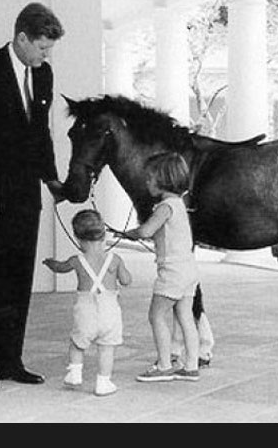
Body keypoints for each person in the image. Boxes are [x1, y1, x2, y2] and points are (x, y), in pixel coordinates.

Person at [0, 2, 66, 392]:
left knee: (19, 276)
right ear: (22, 38)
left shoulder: (44, 75)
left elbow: (41, 133)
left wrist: (52, 180)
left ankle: (11, 360)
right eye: (42, 47)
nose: (46, 55)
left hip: (25, 195)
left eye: (49, 49)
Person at [120, 152, 201, 382]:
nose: (147, 182)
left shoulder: (164, 207)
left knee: (156, 315)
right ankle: (191, 366)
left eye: (150, 177)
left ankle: (164, 365)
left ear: (164, 179)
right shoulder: (179, 205)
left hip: (172, 271)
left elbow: (146, 231)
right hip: (189, 269)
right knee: (185, 316)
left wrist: (133, 233)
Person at [41, 210, 133, 396]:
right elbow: (126, 280)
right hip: (109, 311)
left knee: (77, 342)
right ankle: (103, 382)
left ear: (77, 237)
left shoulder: (77, 261)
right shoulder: (114, 259)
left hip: (85, 310)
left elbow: (60, 268)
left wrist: (51, 263)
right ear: (104, 234)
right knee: (107, 348)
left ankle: (75, 373)